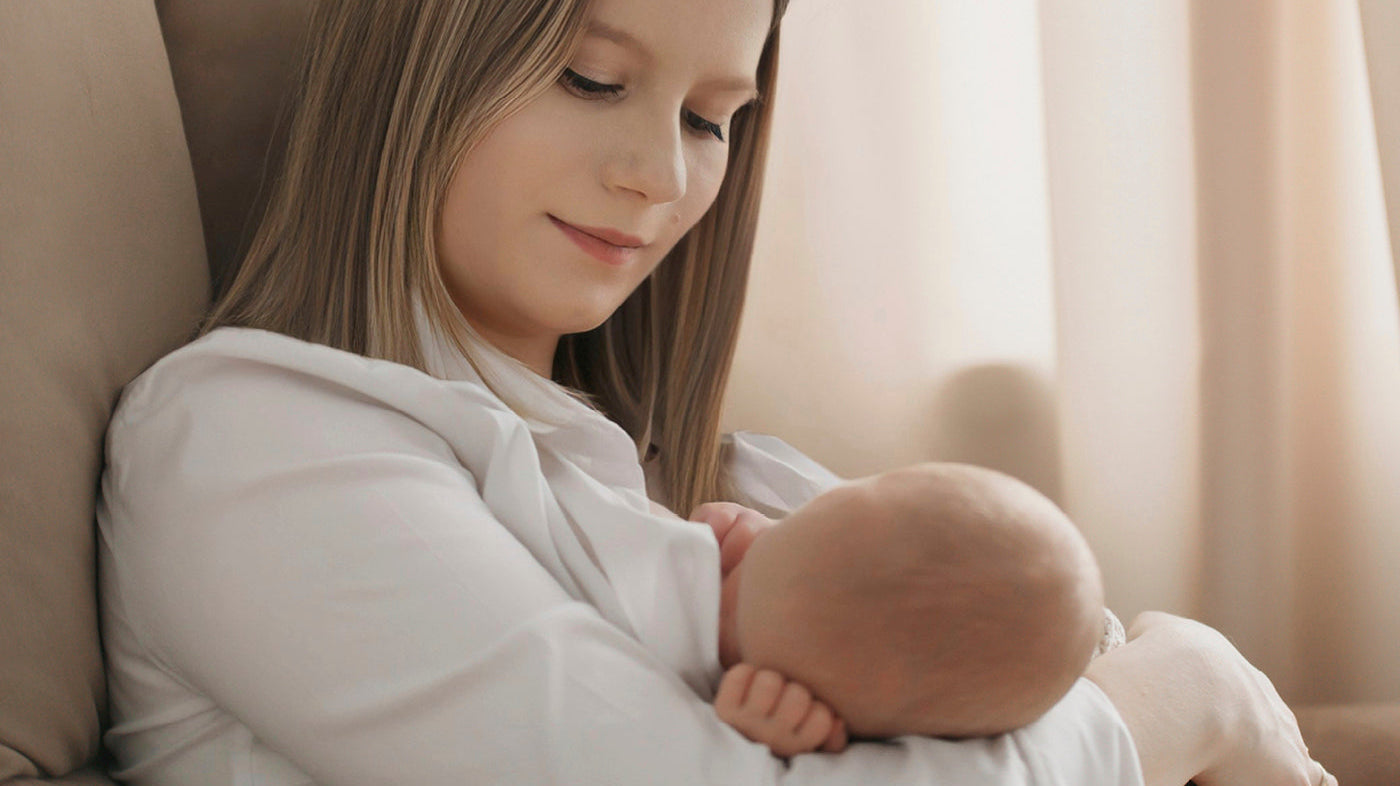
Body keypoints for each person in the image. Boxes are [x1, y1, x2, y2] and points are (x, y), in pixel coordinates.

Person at [94, 0, 1334, 783]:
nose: (657, 176)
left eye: (708, 116)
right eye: (590, 78)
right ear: (424, 61)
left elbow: (1074, 659)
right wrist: (1189, 697)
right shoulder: (251, 438)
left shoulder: (754, 490)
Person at [690, 462, 1121, 757]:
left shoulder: (792, 726)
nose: (725, 569)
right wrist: (753, 534)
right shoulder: (776, 559)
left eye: (732, 624)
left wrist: (759, 740)